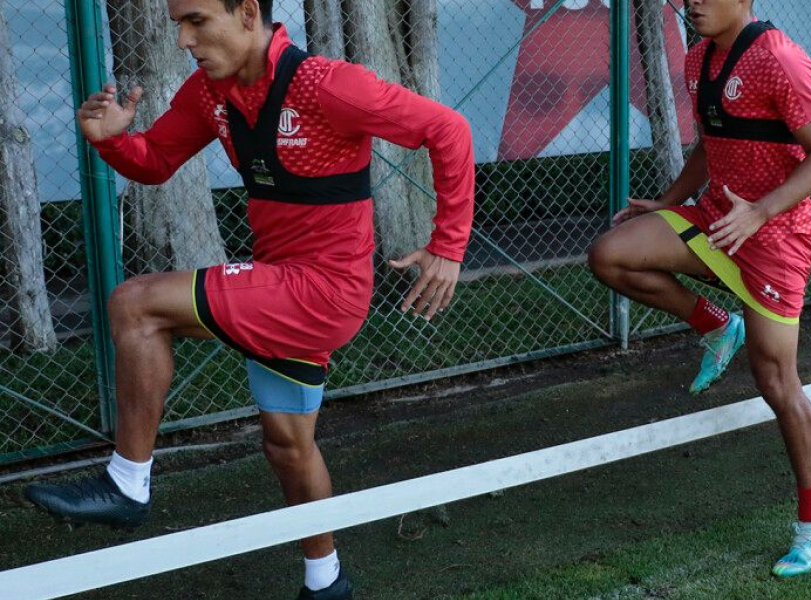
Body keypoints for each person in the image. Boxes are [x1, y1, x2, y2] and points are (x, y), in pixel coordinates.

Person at [23, 1, 475, 597]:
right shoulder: (210, 93)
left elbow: (448, 128)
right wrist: (113, 141)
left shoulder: (328, 84)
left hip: (321, 292)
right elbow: (157, 161)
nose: (184, 39)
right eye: (178, 25)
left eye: (196, 21)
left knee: (135, 303)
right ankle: (327, 580)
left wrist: (448, 244)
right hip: (279, 285)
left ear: (247, 13)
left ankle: (127, 484)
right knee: (288, 444)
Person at [586, 0, 811, 578]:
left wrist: (760, 213)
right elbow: (711, 145)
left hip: (775, 237)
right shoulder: (700, 57)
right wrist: (670, 203)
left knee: (778, 382)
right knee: (611, 254)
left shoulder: (781, 58)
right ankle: (714, 325)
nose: (692, 2)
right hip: (715, 218)